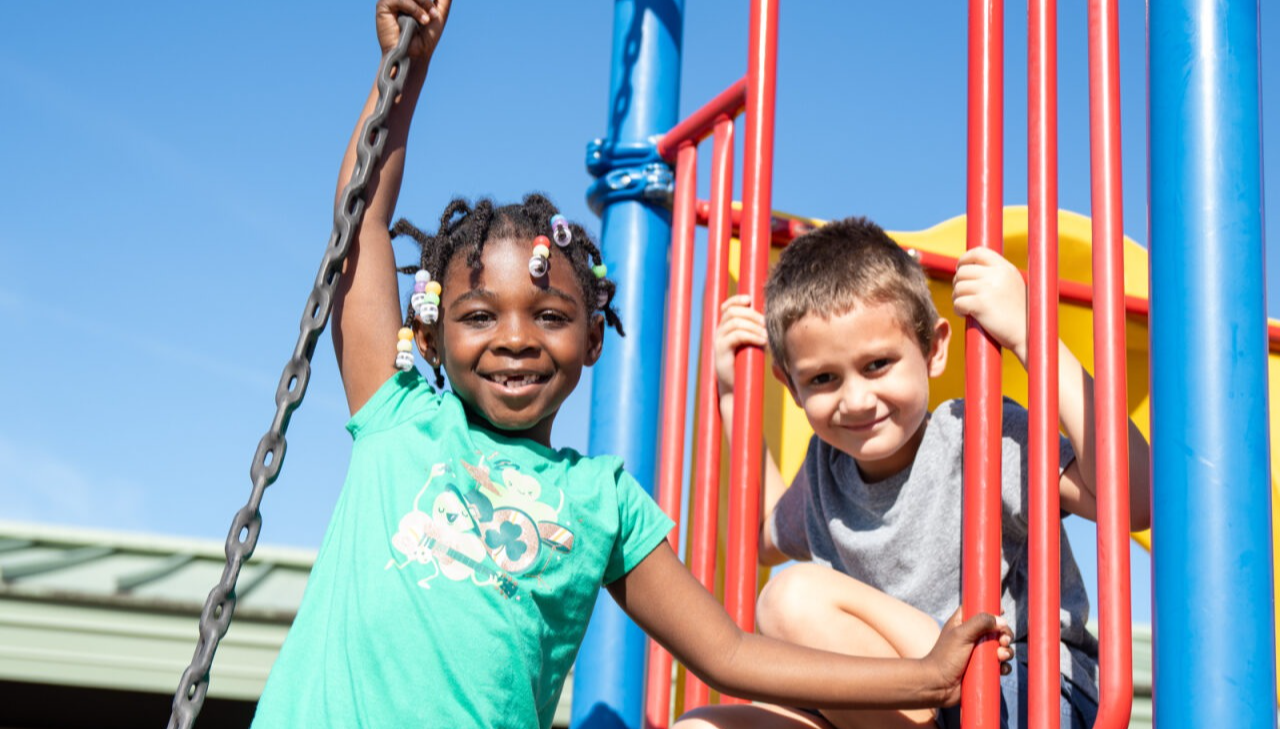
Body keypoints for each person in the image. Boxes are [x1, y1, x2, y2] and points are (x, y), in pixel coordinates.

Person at [249, 4, 1015, 727]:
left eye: (550, 316)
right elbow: (363, 226)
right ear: (436, 332)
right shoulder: (400, 414)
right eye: (479, 316)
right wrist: (405, 67)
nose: (515, 338)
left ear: (591, 338)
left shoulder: (602, 500)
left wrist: (924, 677)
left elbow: (729, 651)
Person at [677, 217, 1152, 729]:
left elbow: (1133, 499)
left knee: (791, 600)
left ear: (934, 349)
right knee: (701, 726)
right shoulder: (825, 471)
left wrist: (1030, 333)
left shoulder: (976, 438)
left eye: (878, 364)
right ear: (790, 387)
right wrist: (733, 397)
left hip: (1017, 689)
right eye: (823, 378)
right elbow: (763, 536)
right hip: (896, 704)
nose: (856, 399)